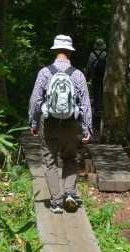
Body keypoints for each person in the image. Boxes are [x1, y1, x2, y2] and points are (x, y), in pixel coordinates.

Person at [28, 34, 92, 214]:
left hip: (49, 124)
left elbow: (35, 100)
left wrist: (33, 122)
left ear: (55, 51)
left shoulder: (45, 72)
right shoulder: (77, 74)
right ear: (70, 53)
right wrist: (87, 128)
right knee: (70, 158)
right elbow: (86, 103)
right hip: (72, 124)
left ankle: (56, 202)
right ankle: (70, 193)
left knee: (49, 162)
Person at [86, 38, 107, 137]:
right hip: (104, 77)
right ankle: (101, 106)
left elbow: (89, 66)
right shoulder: (106, 54)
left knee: (95, 91)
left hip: (95, 76)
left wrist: (87, 77)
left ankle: (97, 107)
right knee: (102, 91)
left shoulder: (92, 54)